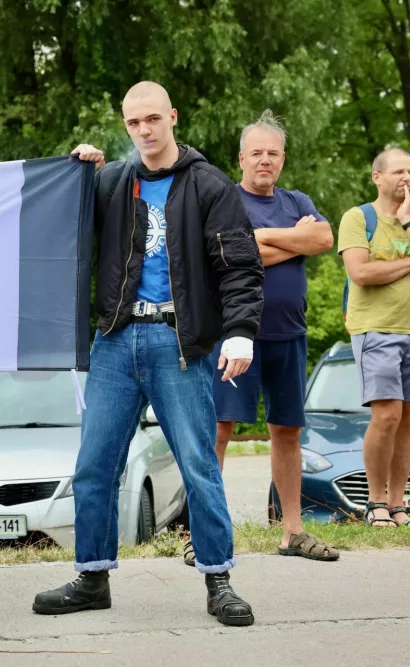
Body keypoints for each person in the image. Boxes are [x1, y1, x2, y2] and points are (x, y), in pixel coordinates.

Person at [33, 81, 262, 627]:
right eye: (134, 122)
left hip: (179, 344)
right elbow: (61, 232)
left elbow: (241, 267)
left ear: (173, 117)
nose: (144, 130)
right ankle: (92, 577)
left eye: (153, 119)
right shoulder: (110, 181)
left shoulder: (208, 185)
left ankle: (219, 578)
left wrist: (241, 332)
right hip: (114, 339)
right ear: (126, 123)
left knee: (199, 466)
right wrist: (77, 174)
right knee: (93, 467)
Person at [202, 110, 338, 565]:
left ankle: (293, 531)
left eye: (272, 153)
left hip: (289, 335)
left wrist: (264, 238)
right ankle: (202, 532)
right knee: (219, 429)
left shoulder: (298, 200)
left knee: (287, 432)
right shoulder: (226, 201)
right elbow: (234, 251)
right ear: (241, 158)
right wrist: (285, 240)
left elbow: (322, 239)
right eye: (256, 152)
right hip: (237, 335)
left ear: (282, 159)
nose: (265, 160)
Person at [338, 147, 410, 529]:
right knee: (386, 415)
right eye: (398, 171)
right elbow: (361, 274)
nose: (406, 178)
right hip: (375, 328)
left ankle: (398, 504)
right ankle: (374, 502)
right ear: (377, 177)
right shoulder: (358, 218)